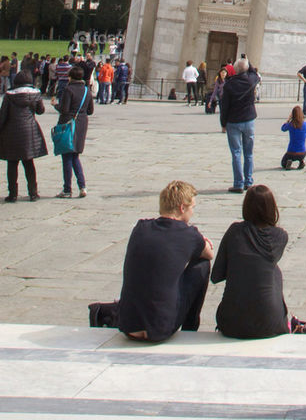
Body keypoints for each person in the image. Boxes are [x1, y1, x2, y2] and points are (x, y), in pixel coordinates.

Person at [117, 180, 213, 342]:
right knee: (201, 266)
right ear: (182, 208)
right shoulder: (189, 234)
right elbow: (209, 254)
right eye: (192, 208)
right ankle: (191, 327)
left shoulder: (140, 227)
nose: (192, 213)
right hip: (160, 328)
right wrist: (200, 240)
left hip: (129, 325)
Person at [211, 184, 289, 338]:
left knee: (270, 269)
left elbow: (216, 275)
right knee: (272, 270)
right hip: (271, 324)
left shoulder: (235, 231)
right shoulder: (280, 236)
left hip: (232, 323)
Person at [0, 71, 48, 201]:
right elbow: (40, 111)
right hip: (29, 131)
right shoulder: (35, 94)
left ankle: (13, 194)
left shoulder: (9, 96)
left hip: (11, 132)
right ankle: (33, 193)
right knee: (28, 163)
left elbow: (3, 115)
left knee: (12, 163)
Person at [53, 64, 95, 198]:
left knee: (67, 156)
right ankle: (82, 186)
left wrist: (55, 105)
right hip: (81, 124)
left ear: (70, 77)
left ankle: (67, 189)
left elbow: (64, 109)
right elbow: (90, 111)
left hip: (69, 124)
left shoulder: (68, 90)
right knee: (75, 155)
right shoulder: (86, 90)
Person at [220, 58, 260, 192]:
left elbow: (224, 106)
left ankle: (238, 183)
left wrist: (223, 123)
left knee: (236, 153)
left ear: (234, 70)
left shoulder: (229, 85)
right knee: (249, 153)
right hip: (248, 120)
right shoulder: (251, 80)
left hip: (233, 121)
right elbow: (254, 73)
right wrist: (248, 62)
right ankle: (248, 181)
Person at [280, 105, 306, 170]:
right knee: (300, 155)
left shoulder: (291, 124)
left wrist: (288, 120)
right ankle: (301, 161)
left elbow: (283, 128)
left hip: (291, 152)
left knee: (283, 163)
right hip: (302, 152)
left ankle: (289, 161)